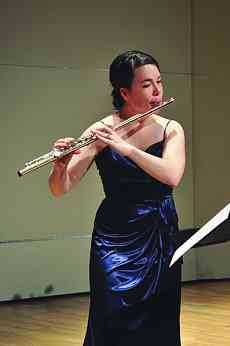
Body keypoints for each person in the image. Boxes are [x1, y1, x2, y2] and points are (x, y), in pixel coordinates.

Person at [48, 50, 186, 346]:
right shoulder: (101, 131)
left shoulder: (171, 129)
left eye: (159, 81)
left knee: (157, 317)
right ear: (124, 92)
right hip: (114, 235)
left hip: (158, 232)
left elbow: (171, 175)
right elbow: (61, 187)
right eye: (147, 84)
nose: (158, 90)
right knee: (110, 312)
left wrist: (127, 150)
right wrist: (60, 167)